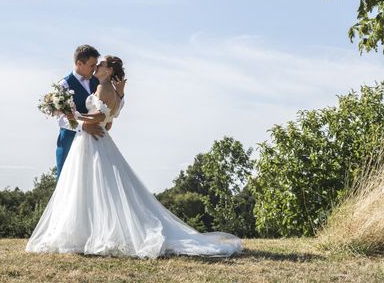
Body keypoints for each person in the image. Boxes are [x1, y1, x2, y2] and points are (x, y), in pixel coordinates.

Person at [26, 55, 242, 258]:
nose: (96, 67)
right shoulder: (102, 87)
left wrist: (77, 116)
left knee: (98, 187)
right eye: (95, 64)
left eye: (100, 64)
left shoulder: (101, 86)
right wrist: (87, 117)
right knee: (92, 187)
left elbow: (102, 117)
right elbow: (108, 121)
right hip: (92, 139)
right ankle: (87, 232)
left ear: (109, 70)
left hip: (93, 141)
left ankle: (93, 234)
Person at [55, 44, 126, 179]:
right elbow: (61, 118)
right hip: (69, 142)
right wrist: (83, 125)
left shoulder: (99, 81)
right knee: (67, 184)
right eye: (92, 65)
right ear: (79, 63)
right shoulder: (63, 85)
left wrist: (121, 94)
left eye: (96, 65)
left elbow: (112, 106)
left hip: (95, 142)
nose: (95, 68)